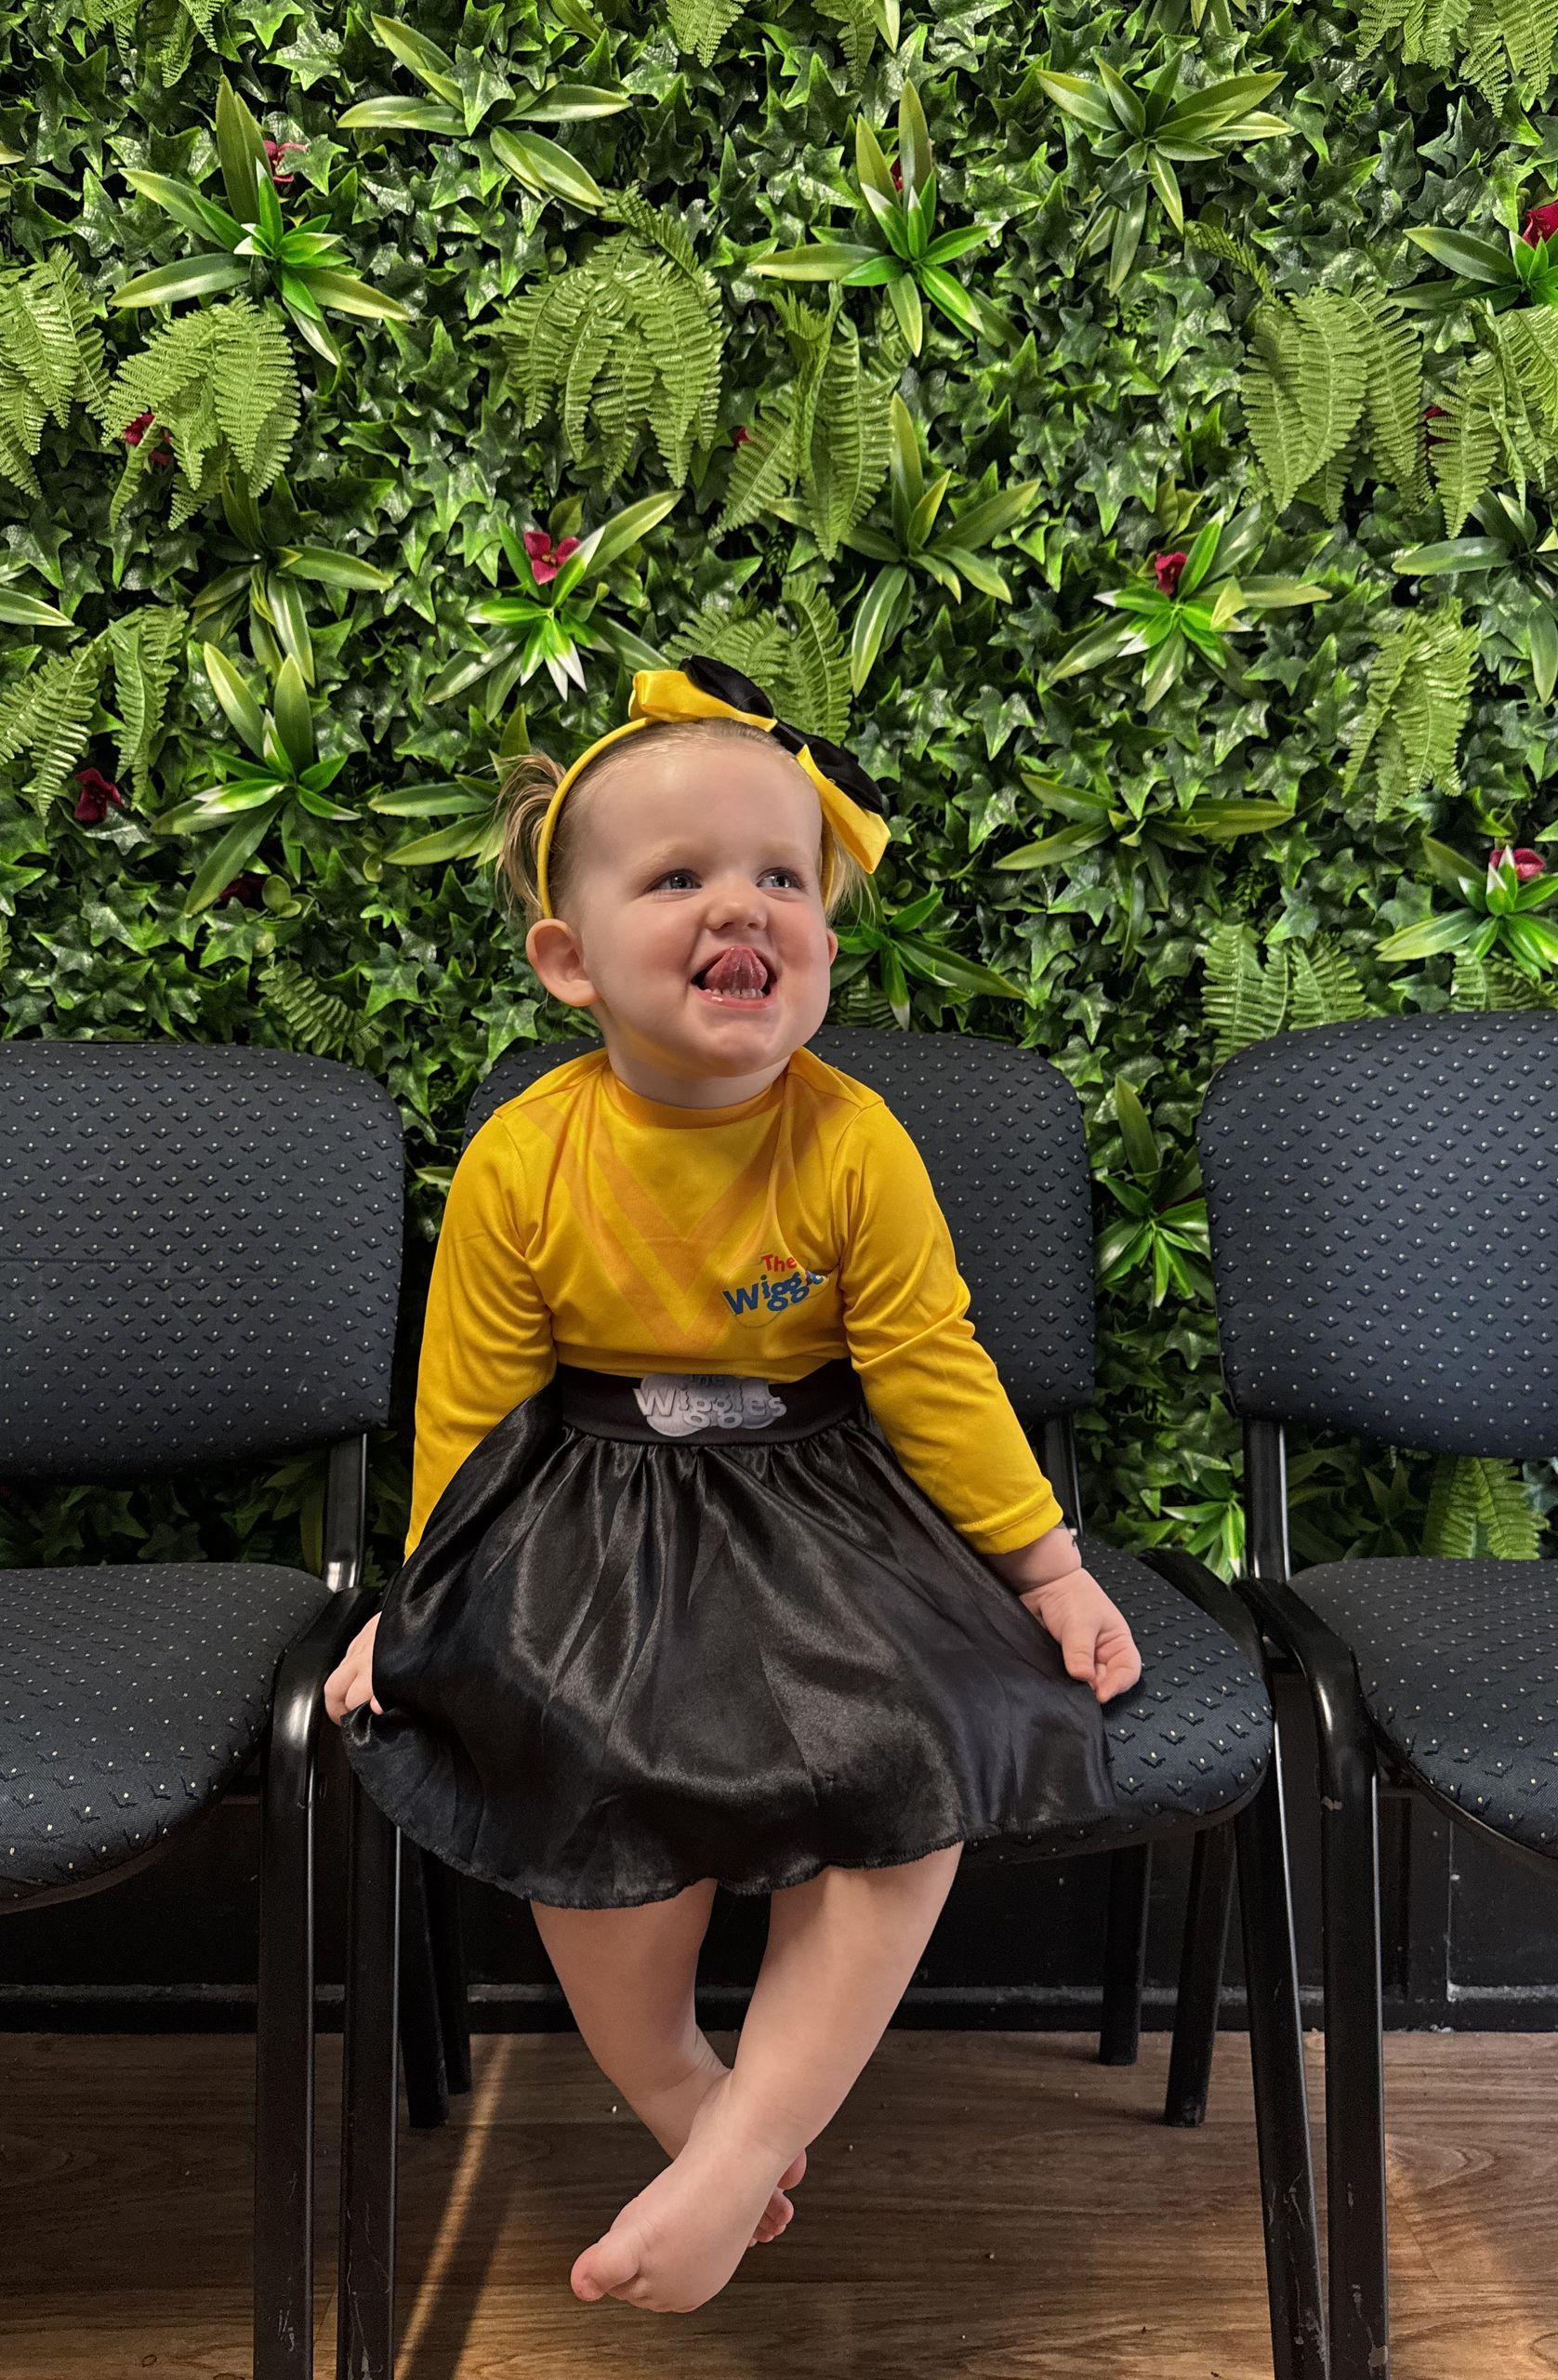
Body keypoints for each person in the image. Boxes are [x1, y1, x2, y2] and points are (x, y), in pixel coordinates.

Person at [325, 655, 1143, 2316]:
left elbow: (930, 1362)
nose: (741, 906)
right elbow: (470, 1400)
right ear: (570, 958)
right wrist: (410, 1611)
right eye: (680, 876)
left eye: (783, 875)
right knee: (558, 1751)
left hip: (822, 1493)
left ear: (827, 944)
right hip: (587, 1500)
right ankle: (698, 2116)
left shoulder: (853, 1142)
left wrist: (1048, 1567)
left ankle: (748, 2139)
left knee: (930, 1749)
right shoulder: (519, 1157)